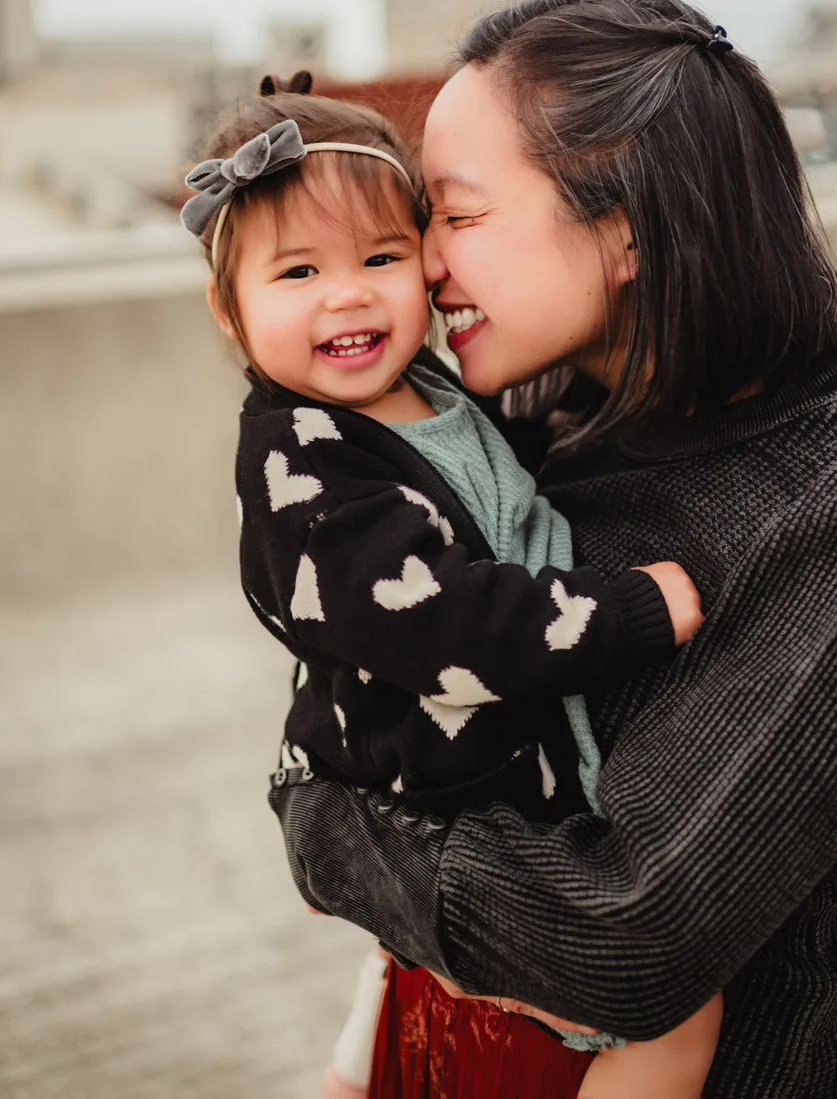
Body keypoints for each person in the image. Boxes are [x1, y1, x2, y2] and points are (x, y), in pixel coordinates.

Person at [269, 0, 837, 1099]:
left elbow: (622, 935)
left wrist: (331, 828)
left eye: (457, 218)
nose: (421, 266)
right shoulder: (530, 416)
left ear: (625, 227)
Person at [181, 79, 722, 1098]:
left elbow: (505, 481)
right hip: (415, 805)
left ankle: (357, 1061)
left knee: (414, 954)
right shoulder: (303, 466)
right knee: (670, 1006)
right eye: (298, 271)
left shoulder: (427, 387)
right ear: (229, 309)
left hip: (448, 783)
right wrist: (635, 609)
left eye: (381, 258)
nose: (348, 295)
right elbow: (446, 626)